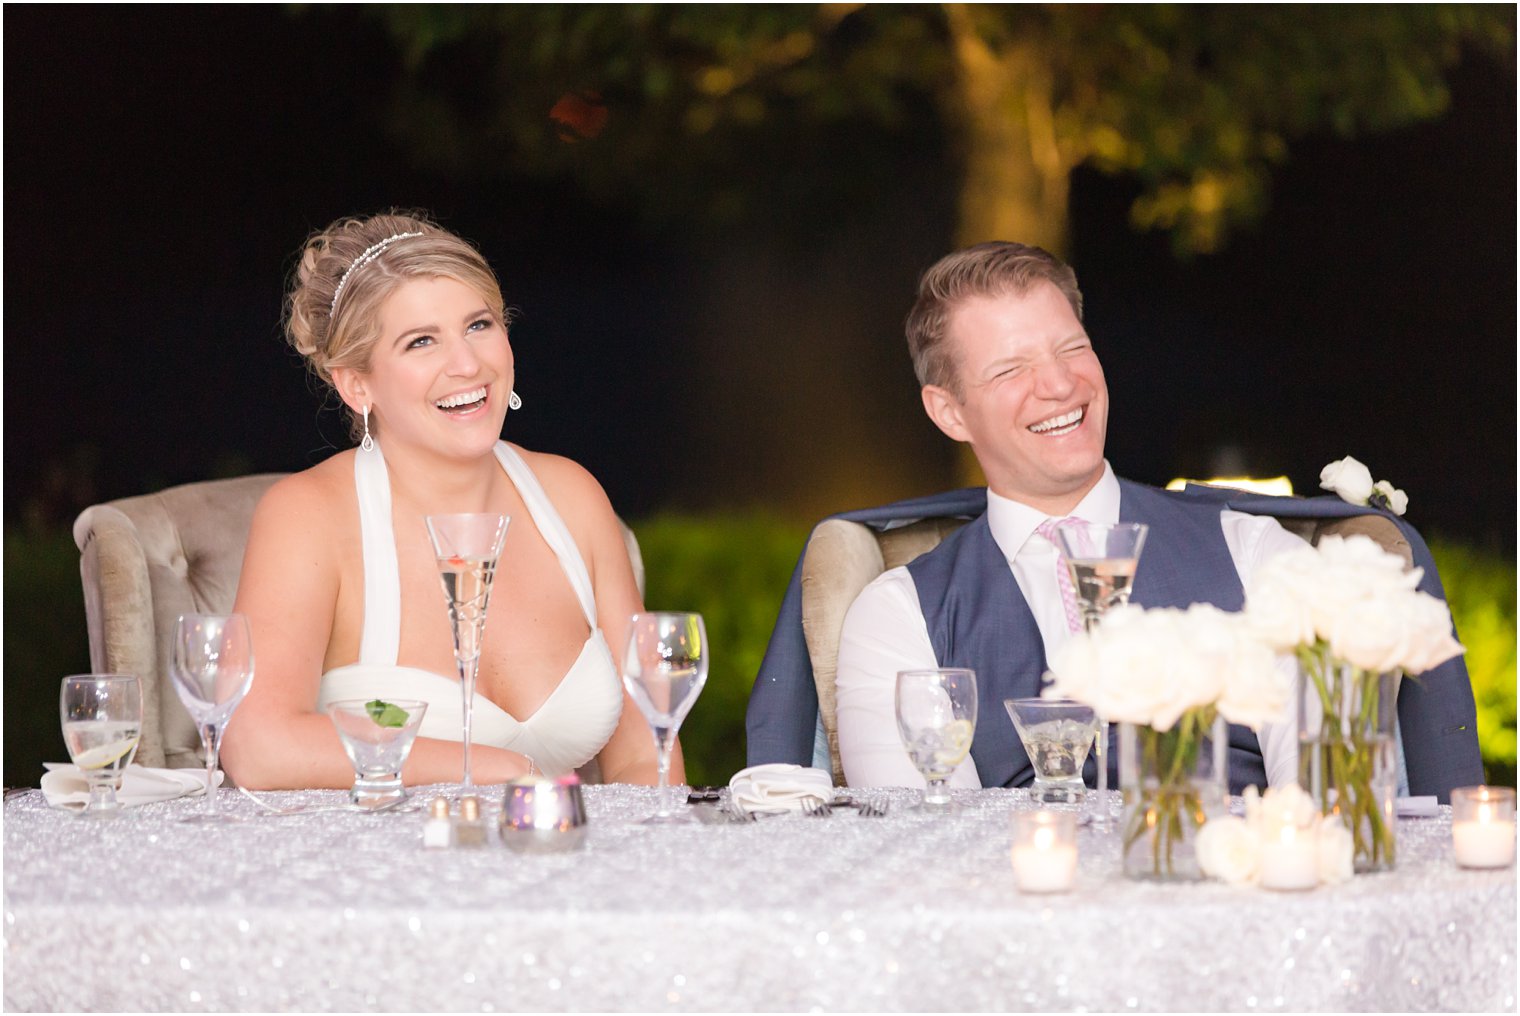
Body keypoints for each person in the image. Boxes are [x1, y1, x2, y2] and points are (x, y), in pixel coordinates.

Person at [745, 241, 1482, 801]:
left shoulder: (1250, 550)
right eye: (1011, 370)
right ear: (949, 411)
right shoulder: (897, 612)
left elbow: (1319, 800)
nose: (1060, 384)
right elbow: (919, 846)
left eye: (1072, 349)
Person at [221, 211, 673, 789]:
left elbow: (648, 750)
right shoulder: (309, 517)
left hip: (559, 863)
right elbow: (259, 745)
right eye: (421, 341)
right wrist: (498, 771)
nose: (467, 364)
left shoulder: (571, 496)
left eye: (479, 325)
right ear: (356, 384)